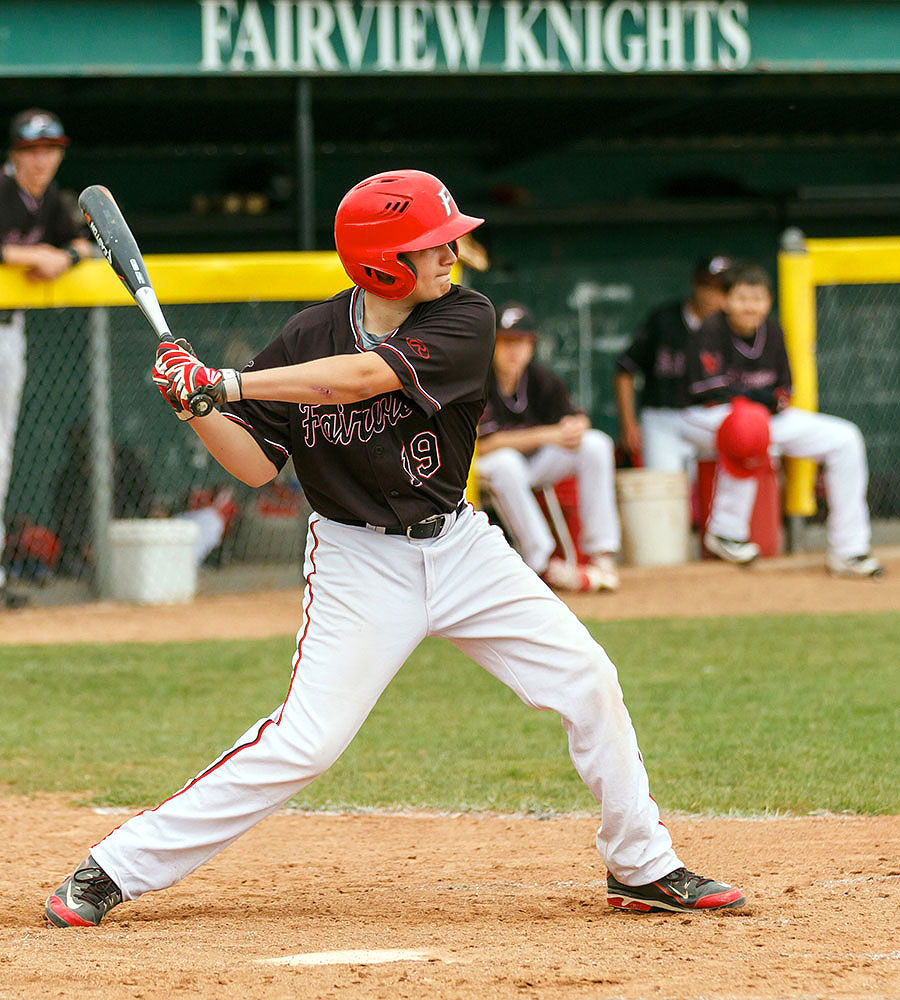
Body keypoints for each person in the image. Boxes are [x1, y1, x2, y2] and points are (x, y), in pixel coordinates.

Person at [45, 169, 744, 928]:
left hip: (462, 547)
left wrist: (228, 381)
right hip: (357, 562)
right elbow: (252, 464)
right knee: (306, 744)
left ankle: (640, 865)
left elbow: (355, 383)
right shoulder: (306, 337)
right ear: (381, 262)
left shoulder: (464, 317)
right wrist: (195, 405)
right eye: (433, 245)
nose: (452, 253)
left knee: (589, 679)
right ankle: (114, 867)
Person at [683, 260, 883, 577]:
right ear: (726, 300)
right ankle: (727, 530)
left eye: (757, 298)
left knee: (845, 438)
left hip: (759, 417)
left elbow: (783, 391)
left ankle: (849, 549)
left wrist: (763, 401)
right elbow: (707, 390)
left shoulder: (772, 331)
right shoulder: (708, 331)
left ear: (768, 301)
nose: (750, 307)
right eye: (742, 298)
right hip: (703, 418)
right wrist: (756, 399)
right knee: (749, 426)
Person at [0, 108, 92, 608]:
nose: (42, 160)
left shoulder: (49, 201)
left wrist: (68, 257)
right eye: (32, 150)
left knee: (0, 453)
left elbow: (85, 243)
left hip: (8, 333)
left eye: (50, 150)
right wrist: (31, 256)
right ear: (15, 154)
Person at [476, 301, 620, 592]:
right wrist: (547, 435)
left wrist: (576, 426)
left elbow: (576, 417)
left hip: (530, 466)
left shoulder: (539, 378)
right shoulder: (477, 379)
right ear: (492, 344)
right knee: (505, 462)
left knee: (595, 445)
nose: (514, 350)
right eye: (506, 342)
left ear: (532, 346)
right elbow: (484, 444)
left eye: (521, 341)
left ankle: (601, 555)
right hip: (482, 469)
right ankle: (543, 564)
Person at [615, 254, 733, 471]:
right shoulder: (663, 319)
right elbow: (625, 369)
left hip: (710, 418)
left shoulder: (731, 327)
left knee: (745, 440)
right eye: (706, 285)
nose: (711, 295)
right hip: (663, 416)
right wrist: (628, 423)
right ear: (694, 284)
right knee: (664, 492)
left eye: (720, 289)